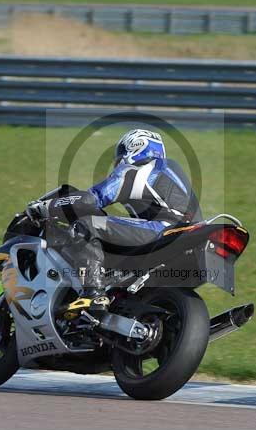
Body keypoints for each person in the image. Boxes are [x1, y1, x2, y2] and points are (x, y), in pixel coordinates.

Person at [26, 129, 201, 313]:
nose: (118, 163)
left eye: (120, 156)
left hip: (165, 229)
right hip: (181, 234)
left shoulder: (139, 169)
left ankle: (93, 294)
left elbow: (90, 199)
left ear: (134, 148)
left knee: (88, 225)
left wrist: (46, 206)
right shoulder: (169, 170)